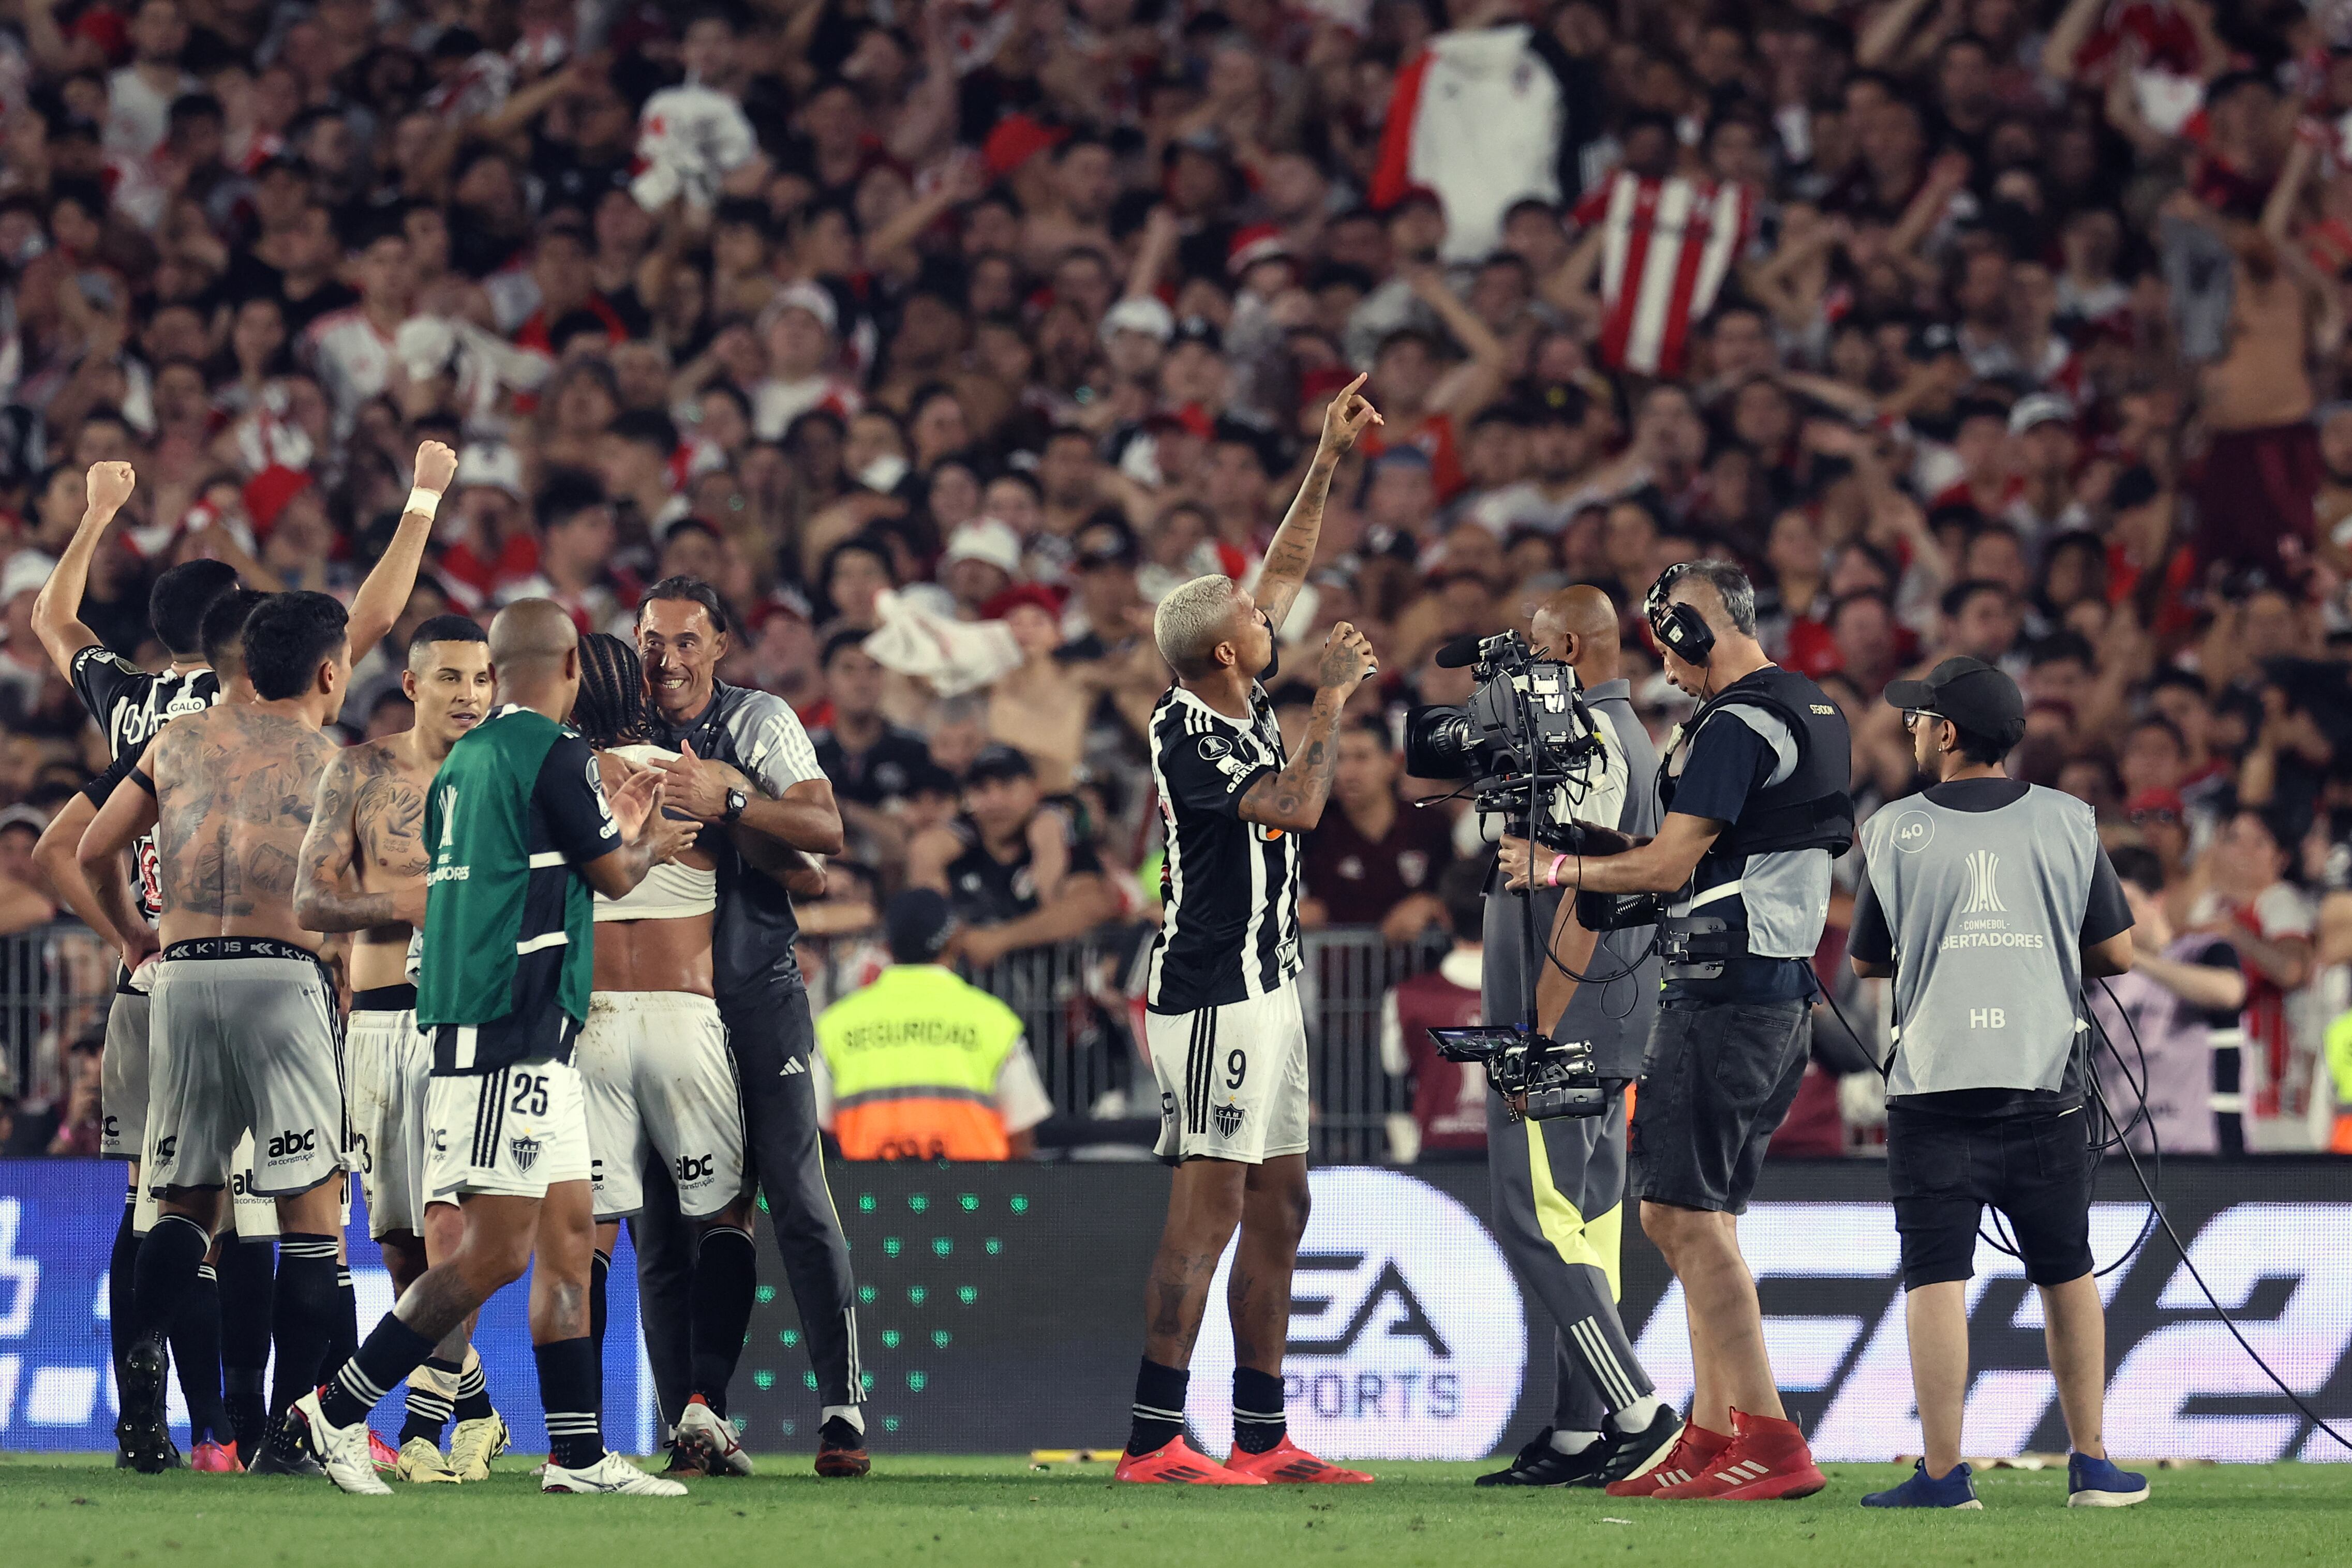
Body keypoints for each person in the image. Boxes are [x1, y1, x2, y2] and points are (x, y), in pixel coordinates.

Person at [289, 599, 694, 1497]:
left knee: (569, 1237)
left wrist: (613, 830)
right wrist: (655, 835)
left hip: (513, 1033)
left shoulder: (464, 765)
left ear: (498, 671)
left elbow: (532, 869)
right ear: (575, 670)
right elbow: (615, 876)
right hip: (508, 1035)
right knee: (493, 1256)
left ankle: (580, 1457)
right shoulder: (556, 754)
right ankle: (339, 1411)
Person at [1500, 560, 1850, 1501]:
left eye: (1669, 644)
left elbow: (1668, 870)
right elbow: (1714, 857)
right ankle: (1706, 1432)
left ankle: (1771, 1438)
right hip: (1771, 990)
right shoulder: (1809, 708)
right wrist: (1614, 858)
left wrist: (1558, 870)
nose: (1668, 666)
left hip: (1728, 991)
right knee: (1698, 1218)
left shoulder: (1736, 724)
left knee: (1684, 1220)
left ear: (1696, 630)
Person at [1117, 376, 1381, 1487]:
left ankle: (1262, 1436)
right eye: (1255, 625)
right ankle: (1151, 1437)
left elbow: (1281, 566)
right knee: (1209, 1205)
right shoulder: (1196, 738)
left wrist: (1324, 459)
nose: (1274, 617)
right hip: (1214, 987)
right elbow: (1301, 806)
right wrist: (1330, 701)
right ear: (1226, 656)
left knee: (1283, 1198)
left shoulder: (1230, 691)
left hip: (1267, 986)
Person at [1847, 655, 2151, 1510]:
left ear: (1946, 733)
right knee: (2065, 1269)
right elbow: (2118, 954)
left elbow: (1869, 959)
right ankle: (2091, 1463)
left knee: (1934, 1275)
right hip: (2043, 1087)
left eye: (1918, 717)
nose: (1910, 727)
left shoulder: (1895, 827)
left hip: (1932, 1092)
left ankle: (1945, 1475)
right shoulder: (2068, 820)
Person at [77, 591, 361, 1475]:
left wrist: (134, 934)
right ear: (327, 671)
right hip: (284, 978)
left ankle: (144, 1354)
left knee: (186, 1207)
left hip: (184, 978)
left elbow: (89, 850)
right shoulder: (333, 761)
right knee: (311, 1217)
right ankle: (286, 1434)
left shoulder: (178, 741)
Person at [631, 576, 869, 1476]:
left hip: (753, 992)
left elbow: (822, 834)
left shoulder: (759, 721)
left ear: (721, 645)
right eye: (654, 641)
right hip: (656, 1004)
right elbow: (803, 867)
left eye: (687, 642)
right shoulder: (618, 728)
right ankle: (690, 1420)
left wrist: (728, 802)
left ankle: (841, 1412)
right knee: (664, 1223)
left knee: (798, 1199)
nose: (668, 660)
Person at [568, 632, 798, 1481]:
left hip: (587, 1022)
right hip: (683, 1014)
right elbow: (805, 870)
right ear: (643, 691)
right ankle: (704, 1406)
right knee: (725, 1217)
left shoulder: (553, 780)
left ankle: (578, 1439)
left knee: (584, 1234)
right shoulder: (690, 775)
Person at [292, 611, 510, 1485]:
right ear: (415, 685)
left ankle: (420, 1435)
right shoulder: (361, 770)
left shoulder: (509, 778)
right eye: (452, 678)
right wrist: (403, 906)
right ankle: (482, 1415)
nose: (470, 694)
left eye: (483, 679)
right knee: (401, 1250)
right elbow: (312, 901)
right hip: (377, 1023)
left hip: (467, 1021)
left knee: (452, 1232)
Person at [1478, 584, 1680, 1488]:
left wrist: (1537, 1028)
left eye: (1532, 648)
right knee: (1588, 1227)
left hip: (1567, 1015)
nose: (1523, 665)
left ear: (1565, 646)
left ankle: (1638, 1412)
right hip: (1614, 1015)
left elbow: (1585, 895)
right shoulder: (1627, 734)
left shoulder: (1583, 745)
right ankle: (1574, 1432)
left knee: (1534, 1218)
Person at [811, 888, 1055, 1159]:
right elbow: (1022, 1135)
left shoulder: (836, 1025)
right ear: (952, 941)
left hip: (868, 1195)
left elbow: (815, 1128)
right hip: (974, 1196)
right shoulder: (994, 1020)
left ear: (887, 946)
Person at [2091, 846, 2250, 1158]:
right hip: (2124, 1153)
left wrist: (2135, 958)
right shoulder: (2100, 980)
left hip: (2199, 1148)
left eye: (2128, 904)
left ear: (2157, 902)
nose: (2118, 918)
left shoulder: (2201, 951)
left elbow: (2229, 992)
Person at [909, 744, 1118, 966]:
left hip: (1047, 993)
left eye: (1007, 786)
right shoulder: (953, 853)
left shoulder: (1061, 843)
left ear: (1034, 790)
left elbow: (1092, 905)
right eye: (982, 790)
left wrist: (1000, 940)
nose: (996, 801)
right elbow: (924, 920)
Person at [1299, 715, 1455, 941]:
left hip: (1420, 967)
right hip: (1337, 972)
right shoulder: (1312, 829)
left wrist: (1430, 904)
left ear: (1392, 763)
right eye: (1339, 759)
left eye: (1362, 758)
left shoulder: (1430, 825)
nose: (1347, 773)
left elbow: (1458, 896)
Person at [1377, 860, 1489, 1162]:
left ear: (1443, 915)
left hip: (1437, 1155)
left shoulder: (1406, 996)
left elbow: (1395, 1064)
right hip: (1513, 1156)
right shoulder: (1533, 995)